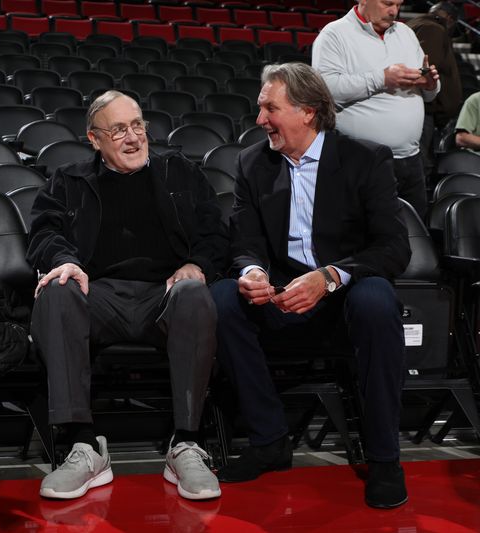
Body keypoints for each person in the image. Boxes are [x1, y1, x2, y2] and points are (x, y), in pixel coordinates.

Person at [210, 63, 412, 509]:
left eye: (270, 108)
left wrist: (330, 276)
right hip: (280, 298)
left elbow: (395, 249)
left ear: (308, 112)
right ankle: (269, 440)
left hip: (343, 301)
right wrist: (252, 273)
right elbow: (244, 243)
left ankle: (384, 458)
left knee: (377, 298)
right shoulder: (251, 163)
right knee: (223, 297)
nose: (260, 119)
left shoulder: (366, 158)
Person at [27, 90, 228, 501]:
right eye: (118, 130)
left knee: (194, 291)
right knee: (57, 288)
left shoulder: (180, 172)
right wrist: (65, 260)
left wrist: (197, 264)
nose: (133, 137)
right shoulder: (68, 179)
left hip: (165, 296)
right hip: (98, 295)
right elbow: (44, 232)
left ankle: (186, 444)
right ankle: (83, 446)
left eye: (138, 126)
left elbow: (215, 234)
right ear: (94, 139)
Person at [311, 0, 440, 218]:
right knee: (364, 239)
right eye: (387, 3)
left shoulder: (406, 33)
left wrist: (431, 85)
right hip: (360, 160)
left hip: (411, 160)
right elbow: (326, 91)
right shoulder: (334, 34)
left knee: (413, 239)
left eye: (398, 5)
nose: (394, 11)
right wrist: (382, 78)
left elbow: (429, 92)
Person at [408, 2, 463, 177]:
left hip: (423, 110)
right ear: (451, 19)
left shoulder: (420, 25)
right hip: (423, 110)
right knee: (420, 168)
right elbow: (425, 69)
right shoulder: (434, 29)